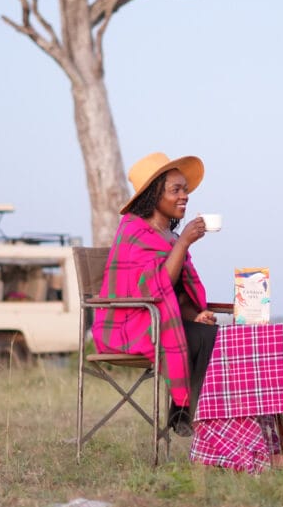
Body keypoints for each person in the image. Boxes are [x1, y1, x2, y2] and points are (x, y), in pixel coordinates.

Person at [92, 152, 218, 438]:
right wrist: (185, 242)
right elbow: (153, 289)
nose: (184, 195)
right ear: (153, 196)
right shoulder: (134, 231)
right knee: (204, 338)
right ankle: (188, 413)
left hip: (160, 319)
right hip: (130, 323)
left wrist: (196, 314)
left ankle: (191, 413)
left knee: (214, 335)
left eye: (185, 189)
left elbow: (176, 296)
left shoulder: (169, 238)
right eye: (176, 190)